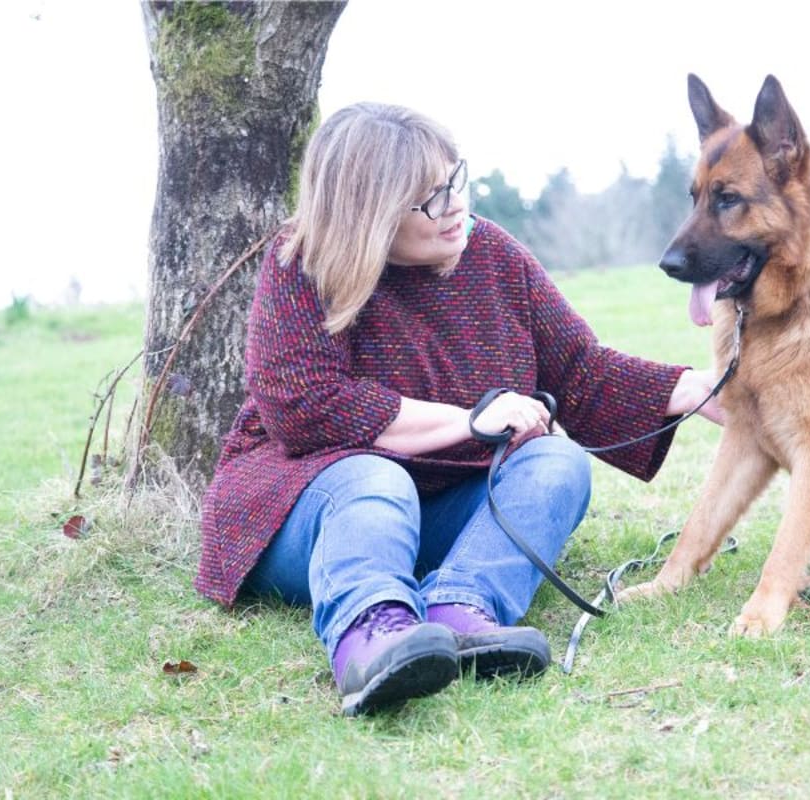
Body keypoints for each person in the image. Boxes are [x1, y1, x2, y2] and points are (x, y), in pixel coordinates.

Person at [195, 102, 724, 717]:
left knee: (557, 462)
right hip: (311, 516)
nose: (453, 206)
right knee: (376, 475)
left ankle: (461, 611)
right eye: (428, 198)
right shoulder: (302, 264)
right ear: (369, 213)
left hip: (441, 514)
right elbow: (306, 408)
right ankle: (371, 638)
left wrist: (696, 389)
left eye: (454, 181)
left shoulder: (492, 253)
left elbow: (580, 371)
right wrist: (469, 421)